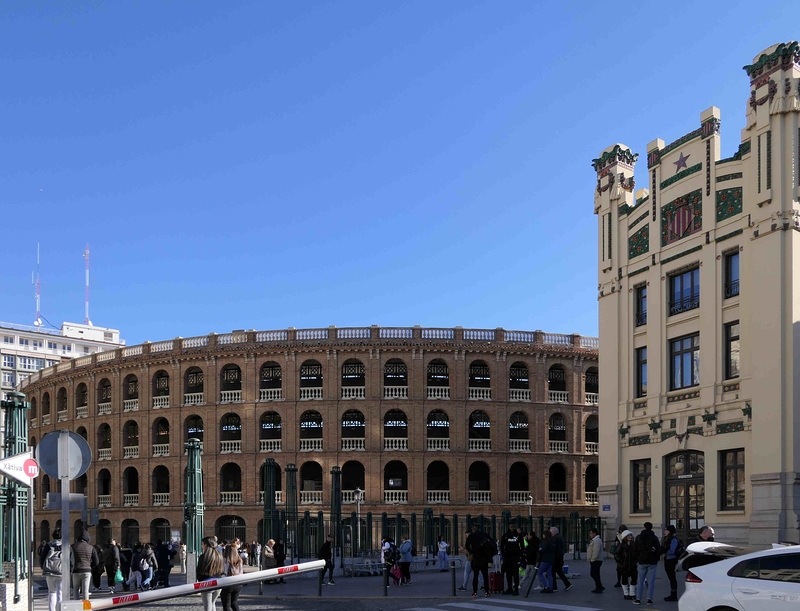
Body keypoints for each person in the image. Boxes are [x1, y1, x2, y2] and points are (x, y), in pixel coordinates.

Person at [633, 521, 661, 605]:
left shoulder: (639, 537)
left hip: (641, 561)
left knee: (640, 581)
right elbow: (658, 549)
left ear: (644, 527)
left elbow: (635, 549)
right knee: (651, 581)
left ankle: (638, 598)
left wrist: (637, 559)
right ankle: (649, 599)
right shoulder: (654, 538)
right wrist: (656, 559)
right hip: (652, 562)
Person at [197, 537, 225, 611]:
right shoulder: (219, 555)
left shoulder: (203, 557)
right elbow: (222, 570)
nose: (201, 546)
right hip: (218, 583)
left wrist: (199, 580)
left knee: (207, 606)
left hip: (206, 583)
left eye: (202, 544)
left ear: (206, 545)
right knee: (212, 603)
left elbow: (199, 571)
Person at [40, 527, 64, 611]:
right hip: (61, 572)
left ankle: (51, 610)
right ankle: (60, 609)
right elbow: (71, 560)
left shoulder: (48, 546)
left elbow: (42, 558)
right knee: (60, 593)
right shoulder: (65, 546)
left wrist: (43, 568)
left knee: (51, 592)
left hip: (49, 572)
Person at [464, 523, 491, 598]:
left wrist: (471, 552)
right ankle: (487, 591)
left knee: (475, 575)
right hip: (484, 557)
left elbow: (467, 545)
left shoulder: (471, 536)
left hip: (475, 557)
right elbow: (490, 545)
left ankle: (475, 592)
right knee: (485, 575)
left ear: (473, 528)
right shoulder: (483, 535)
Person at [72, 530, 99, 600]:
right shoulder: (91, 547)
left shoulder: (73, 546)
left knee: (75, 589)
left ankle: (76, 606)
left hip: (76, 570)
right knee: (85, 591)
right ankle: (86, 608)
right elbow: (96, 561)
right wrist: (90, 566)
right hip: (87, 570)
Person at [614, 529, 637, 600]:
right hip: (624, 566)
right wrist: (622, 562)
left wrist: (636, 560)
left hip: (632, 565)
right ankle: (626, 594)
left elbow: (637, 553)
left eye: (630, 535)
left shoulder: (633, 544)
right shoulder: (621, 545)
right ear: (625, 537)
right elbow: (616, 555)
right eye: (628, 535)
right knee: (624, 579)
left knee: (634, 579)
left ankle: (632, 593)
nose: (630, 536)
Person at [220, 544, 243, 611]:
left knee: (226, 605)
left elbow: (224, 572)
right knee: (234, 603)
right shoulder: (239, 560)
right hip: (239, 583)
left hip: (228, 583)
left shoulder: (225, 560)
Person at [500, 525, 522, 595]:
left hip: (515, 557)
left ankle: (516, 589)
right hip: (507, 557)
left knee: (515, 574)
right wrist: (503, 555)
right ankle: (509, 588)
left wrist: (520, 556)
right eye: (511, 527)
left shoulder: (518, 536)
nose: (512, 528)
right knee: (508, 574)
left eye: (513, 527)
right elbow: (502, 545)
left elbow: (522, 546)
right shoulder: (506, 536)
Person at [549, 526, 572, 592]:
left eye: (551, 532)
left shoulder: (556, 538)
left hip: (557, 558)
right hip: (559, 558)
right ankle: (567, 584)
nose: (550, 533)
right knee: (559, 572)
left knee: (553, 572)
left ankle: (554, 586)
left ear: (554, 532)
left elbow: (555, 548)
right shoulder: (559, 537)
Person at [661, 525, 681, 602]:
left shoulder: (673, 540)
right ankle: (672, 594)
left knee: (672, 578)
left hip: (672, 560)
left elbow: (672, 551)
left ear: (670, 532)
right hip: (667, 559)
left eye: (666, 530)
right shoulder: (667, 539)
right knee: (671, 577)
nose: (665, 532)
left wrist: (664, 551)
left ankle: (674, 595)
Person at [537, 529, 555, 593]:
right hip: (551, 559)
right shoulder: (552, 541)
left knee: (539, 572)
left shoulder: (546, 542)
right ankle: (551, 587)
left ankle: (545, 586)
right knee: (549, 574)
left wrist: (539, 551)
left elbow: (543, 550)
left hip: (545, 559)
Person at [587, 527, 604, 593]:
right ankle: (598, 587)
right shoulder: (594, 540)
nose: (590, 535)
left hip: (596, 560)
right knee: (596, 574)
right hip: (595, 560)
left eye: (590, 533)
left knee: (593, 573)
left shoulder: (597, 540)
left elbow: (596, 551)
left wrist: (592, 559)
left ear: (594, 533)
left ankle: (599, 586)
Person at [613, 524, 628, 588]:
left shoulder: (628, 535)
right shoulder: (617, 535)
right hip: (620, 553)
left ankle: (624, 582)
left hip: (624, 553)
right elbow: (615, 541)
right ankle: (619, 581)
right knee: (619, 569)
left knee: (625, 569)